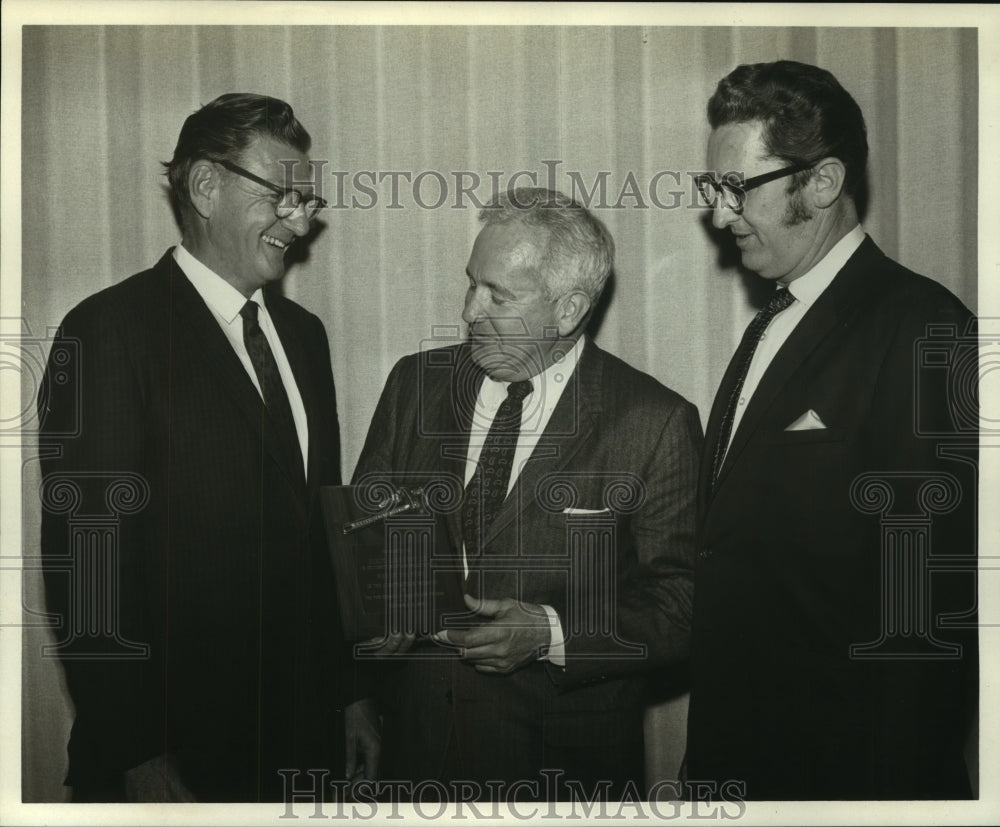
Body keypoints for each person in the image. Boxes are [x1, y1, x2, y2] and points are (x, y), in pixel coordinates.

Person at [38, 93, 350, 802]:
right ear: (206, 186)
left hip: (302, 741)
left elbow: (320, 533)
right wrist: (136, 747)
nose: (300, 221)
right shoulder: (109, 331)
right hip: (173, 750)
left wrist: (351, 695)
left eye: (309, 201)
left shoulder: (305, 337)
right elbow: (88, 564)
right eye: (284, 195)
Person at [347, 188, 702, 801]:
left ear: (567, 310)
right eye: (471, 284)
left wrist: (550, 633)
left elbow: (681, 607)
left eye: (497, 296)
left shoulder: (654, 422)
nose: (468, 311)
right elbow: (360, 550)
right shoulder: (414, 384)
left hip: (559, 773)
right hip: (415, 753)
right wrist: (357, 687)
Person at [686, 61, 977, 800]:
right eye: (711, 190)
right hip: (742, 762)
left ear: (821, 183)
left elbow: (925, 622)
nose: (720, 215)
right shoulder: (777, 321)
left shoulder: (921, 327)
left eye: (736, 190)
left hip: (845, 778)